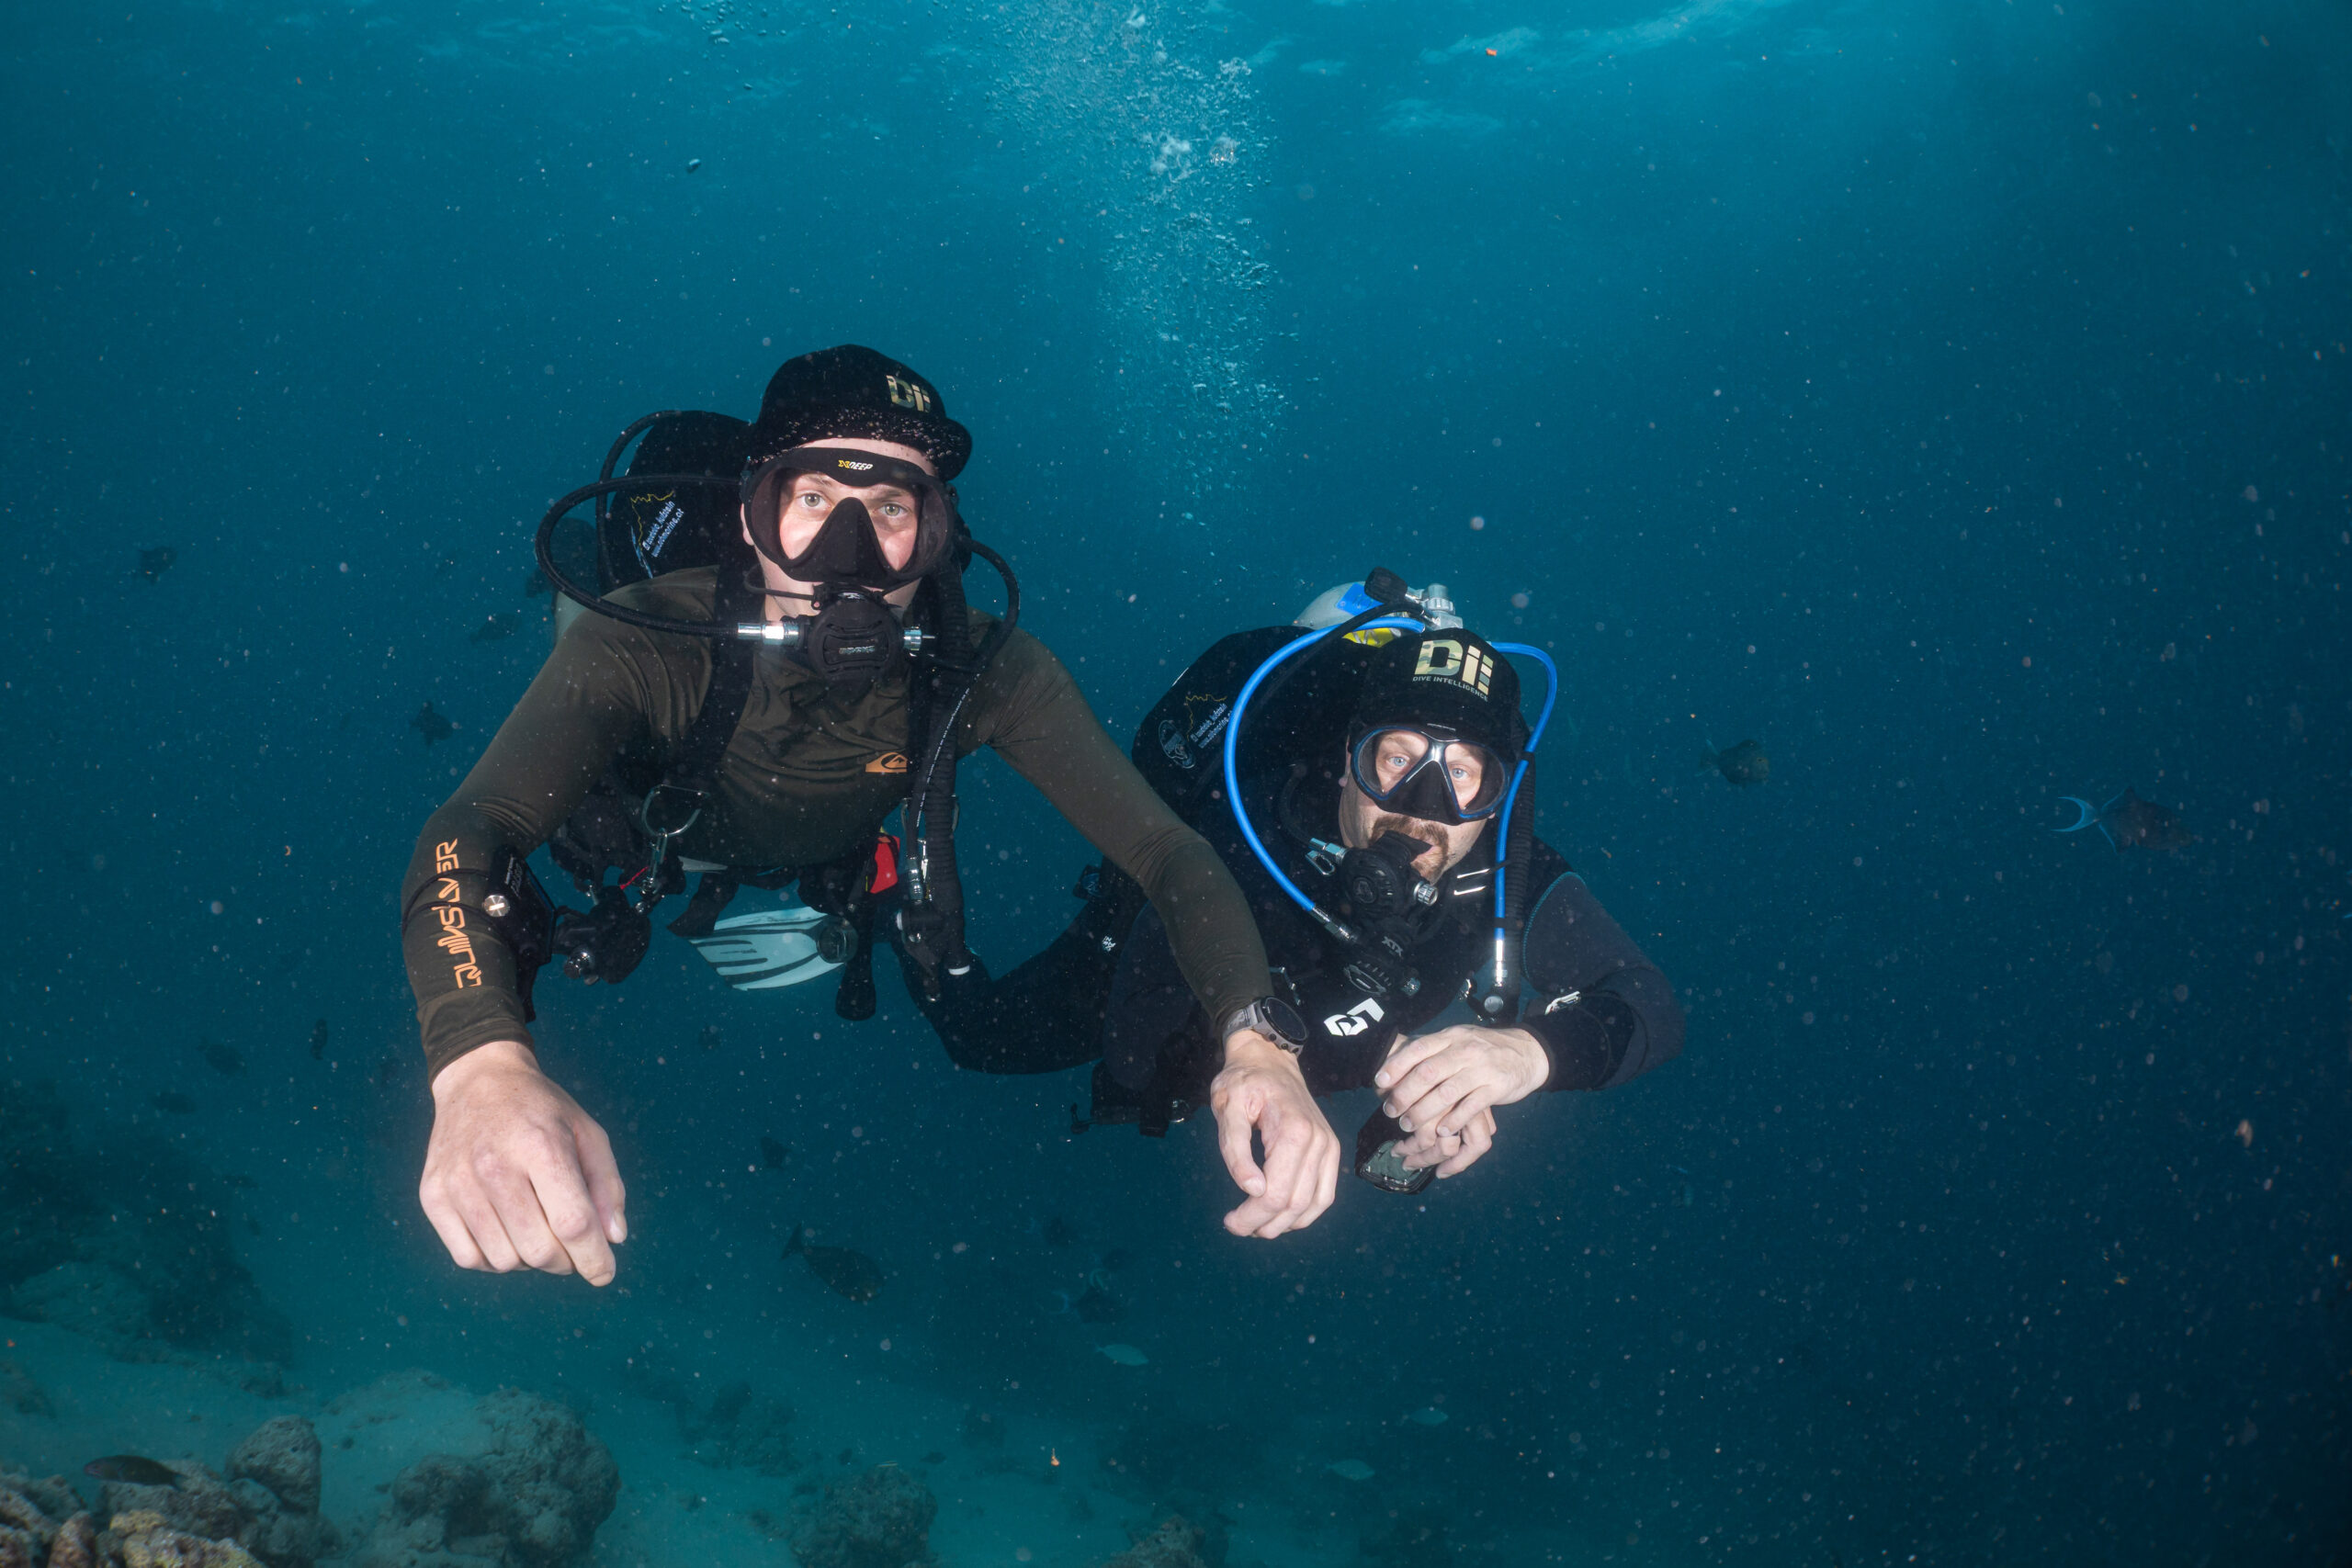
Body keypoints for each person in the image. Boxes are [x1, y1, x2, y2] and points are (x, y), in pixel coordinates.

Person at [401, 345, 1340, 1288]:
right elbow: (473, 826)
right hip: (658, 842)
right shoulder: (644, 638)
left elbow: (1167, 854)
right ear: (750, 514)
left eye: (892, 509)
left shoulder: (987, 670)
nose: (849, 553)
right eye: (811, 500)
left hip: (833, 862)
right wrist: (478, 1064)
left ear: (938, 533)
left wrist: (1259, 1044)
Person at [897, 578, 1684, 1208]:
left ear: (1499, 798)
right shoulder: (1257, 826)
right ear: (1347, 760)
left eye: (1464, 776)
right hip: (1156, 1004)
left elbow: (1651, 1003)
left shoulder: (1506, 877)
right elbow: (1138, 1051)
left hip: (1310, 1059)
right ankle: (878, 892)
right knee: (978, 1038)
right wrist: (1375, 1057)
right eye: (1395, 759)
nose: (1423, 803)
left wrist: (1525, 1054)